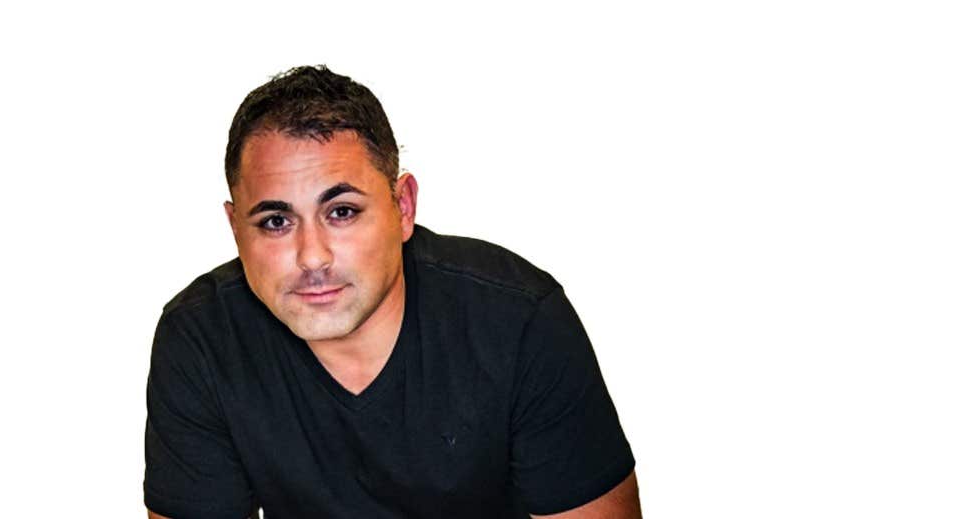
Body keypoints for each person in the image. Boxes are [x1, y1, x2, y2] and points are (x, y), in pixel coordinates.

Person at [144, 65, 639, 519]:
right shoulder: (201, 340)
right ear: (235, 228)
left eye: (342, 212)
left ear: (402, 206)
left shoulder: (519, 321)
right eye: (276, 221)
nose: (312, 256)